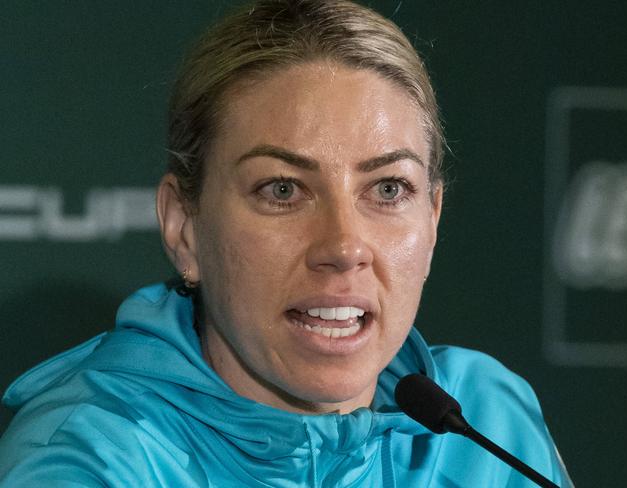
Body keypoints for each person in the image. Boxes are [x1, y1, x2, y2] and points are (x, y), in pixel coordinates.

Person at [0, 1, 572, 486]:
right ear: (184, 228)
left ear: (434, 217)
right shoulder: (88, 460)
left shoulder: (486, 421)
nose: (345, 246)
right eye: (283, 189)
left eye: (388, 188)